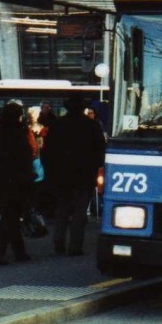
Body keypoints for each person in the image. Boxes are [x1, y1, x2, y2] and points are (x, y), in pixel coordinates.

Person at [41, 95, 106, 256]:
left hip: (61, 175)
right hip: (84, 176)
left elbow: (47, 152)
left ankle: (59, 241)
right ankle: (75, 245)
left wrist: (51, 172)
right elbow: (100, 151)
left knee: (62, 209)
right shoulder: (92, 125)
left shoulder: (58, 124)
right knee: (79, 212)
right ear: (82, 108)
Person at [0, 101, 34, 266]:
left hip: (0, 182)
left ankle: (19, 251)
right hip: (16, 183)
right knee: (10, 218)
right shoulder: (19, 135)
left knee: (11, 218)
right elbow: (25, 159)